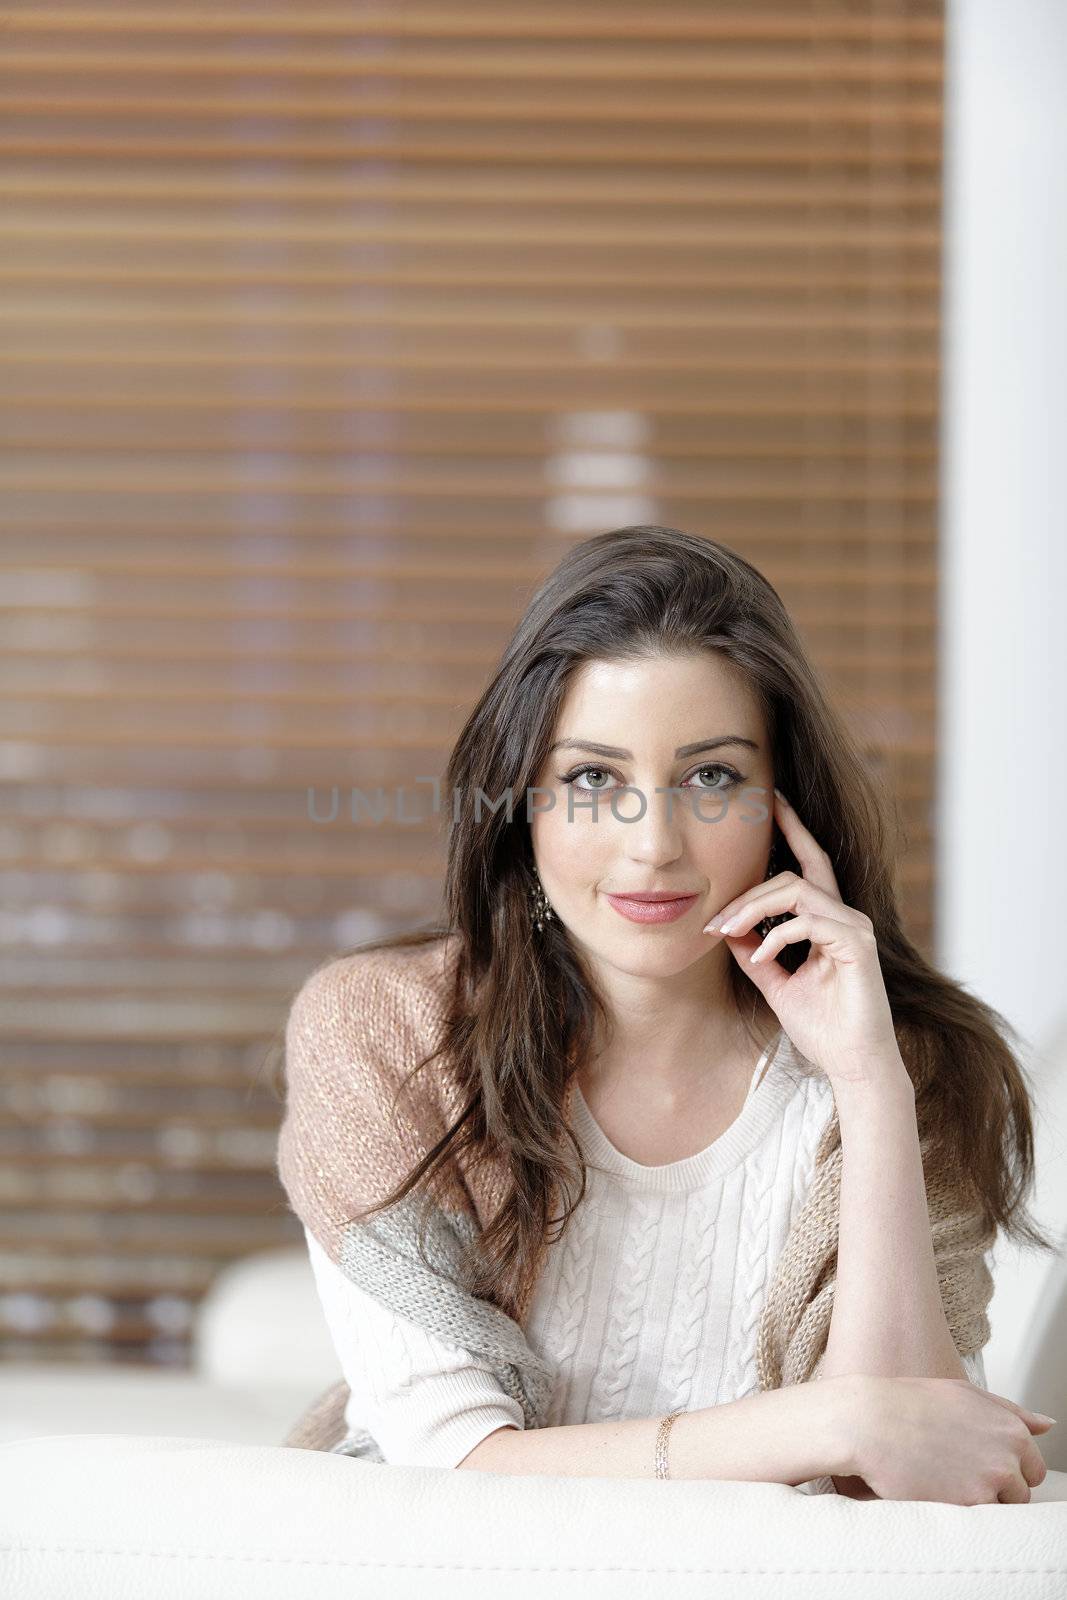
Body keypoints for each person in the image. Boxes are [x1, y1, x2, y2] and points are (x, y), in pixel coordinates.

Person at [280, 524, 1059, 1502]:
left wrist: (869, 1085)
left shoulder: (907, 1065)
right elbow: (447, 1462)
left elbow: (909, 1476)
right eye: (593, 778)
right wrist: (823, 1421)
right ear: (522, 803)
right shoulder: (383, 1035)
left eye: (710, 776)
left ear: (788, 803)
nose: (651, 844)